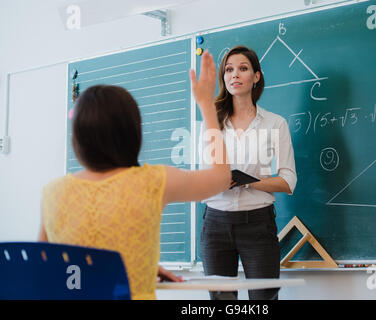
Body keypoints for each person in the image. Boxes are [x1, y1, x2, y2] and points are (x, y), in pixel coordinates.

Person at [38, 51, 231, 300]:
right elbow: (221, 176)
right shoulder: (152, 182)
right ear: (131, 133)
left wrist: (137, 267)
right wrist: (206, 104)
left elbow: (43, 267)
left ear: (78, 137)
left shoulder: (53, 192)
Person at [198, 45, 297, 300]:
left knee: (262, 302)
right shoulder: (211, 123)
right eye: (229, 70)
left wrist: (249, 182)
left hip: (258, 225)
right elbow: (202, 177)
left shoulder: (276, 123)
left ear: (256, 76)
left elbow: (288, 181)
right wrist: (216, 180)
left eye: (243, 69)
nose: (235, 75)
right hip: (216, 224)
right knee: (222, 302)